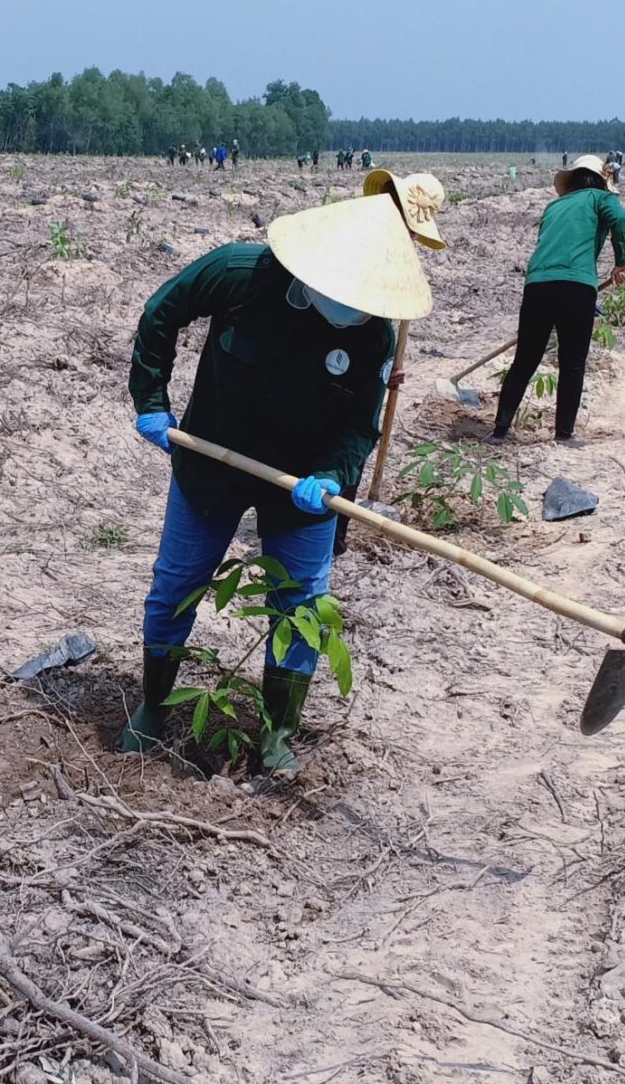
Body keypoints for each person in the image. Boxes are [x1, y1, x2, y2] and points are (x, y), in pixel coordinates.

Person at [124, 194, 432, 774]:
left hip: (303, 481)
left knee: (301, 603)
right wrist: (152, 399)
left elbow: (361, 424)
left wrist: (334, 476)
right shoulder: (241, 273)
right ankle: (155, 704)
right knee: (176, 582)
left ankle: (277, 731)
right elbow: (162, 311)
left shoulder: (374, 335)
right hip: (212, 456)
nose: (352, 310)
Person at [333, 170, 447, 554]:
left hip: (363, 354)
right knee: (346, 432)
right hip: (338, 345)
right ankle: (329, 531)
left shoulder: (393, 242)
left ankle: (337, 532)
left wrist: (383, 372)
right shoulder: (361, 237)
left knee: (356, 436)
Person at [489, 154, 625, 446]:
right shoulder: (601, 199)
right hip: (576, 286)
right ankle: (564, 434)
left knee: (524, 360)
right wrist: (622, 262)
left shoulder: (554, 206)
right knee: (573, 362)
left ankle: (499, 431)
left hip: (537, 285)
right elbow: (619, 218)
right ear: (601, 180)